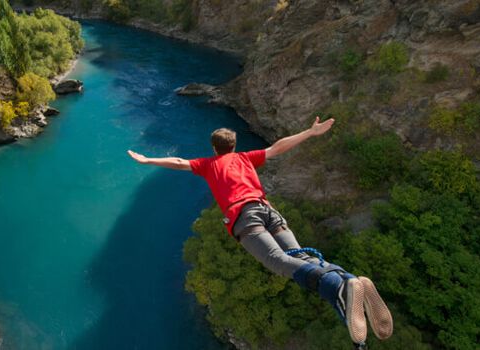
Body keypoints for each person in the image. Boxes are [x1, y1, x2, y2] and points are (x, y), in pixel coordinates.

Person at [127, 117, 393, 347]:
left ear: (214, 148)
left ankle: (339, 287)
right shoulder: (245, 158)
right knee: (301, 257)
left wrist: (148, 159)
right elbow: (278, 148)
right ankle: (348, 279)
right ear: (234, 145)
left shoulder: (208, 164)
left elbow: (178, 161)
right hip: (269, 210)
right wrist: (310, 132)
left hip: (245, 216)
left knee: (276, 261)